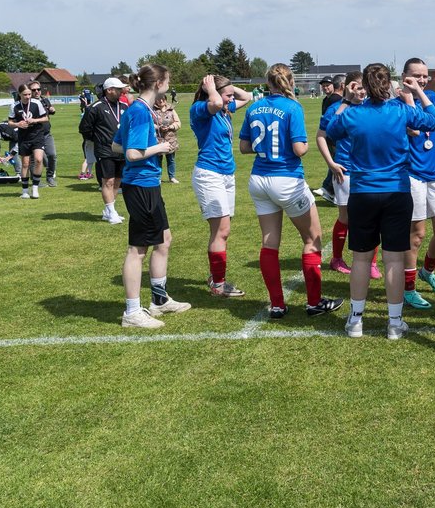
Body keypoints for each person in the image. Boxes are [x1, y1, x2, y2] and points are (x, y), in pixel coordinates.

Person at [326, 63, 435, 341]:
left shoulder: (353, 113)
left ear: (364, 84)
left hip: (364, 193)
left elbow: (330, 130)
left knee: (361, 260)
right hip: (396, 193)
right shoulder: (401, 110)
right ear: (389, 83)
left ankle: (355, 321)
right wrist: (419, 93)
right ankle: (394, 323)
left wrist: (346, 100)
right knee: (393, 260)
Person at [238, 63, 342, 319]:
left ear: (268, 83)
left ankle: (276, 305)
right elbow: (299, 149)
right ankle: (314, 302)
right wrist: (296, 147)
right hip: (286, 179)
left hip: (259, 179)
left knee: (269, 243)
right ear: (290, 81)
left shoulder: (253, 107)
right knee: (312, 240)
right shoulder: (292, 107)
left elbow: (244, 147)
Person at [112, 64, 189, 329]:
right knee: (138, 249)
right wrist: (161, 147)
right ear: (158, 84)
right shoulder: (141, 111)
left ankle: (159, 299)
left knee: (164, 239)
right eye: (167, 79)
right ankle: (132, 312)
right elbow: (132, 153)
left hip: (148, 183)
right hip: (140, 184)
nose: (169, 83)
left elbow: (115, 143)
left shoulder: (137, 109)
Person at [190, 74, 253, 298]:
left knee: (220, 231)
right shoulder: (201, 108)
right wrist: (213, 91)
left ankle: (215, 276)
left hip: (226, 175)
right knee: (222, 230)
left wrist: (227, 87)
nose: (230, 99)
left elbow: (248, 97)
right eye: (227, 96)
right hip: (210, 175)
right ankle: (218, 283)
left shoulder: (224, 109)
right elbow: (216, 102)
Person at [400, 57, 435, 309]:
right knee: (416, 235)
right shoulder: (396, 104)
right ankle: (408, 288)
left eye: (424, 76)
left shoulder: (429, 97)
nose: (421, 80)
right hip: (412, 175)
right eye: (416, 75)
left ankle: (427, 271)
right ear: (404, 76)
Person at [318, 71, 371, 277]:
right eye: (355, 86)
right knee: (346, 217)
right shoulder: (336, 108)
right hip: (345, 171)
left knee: (370, 218)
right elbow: (321, 136)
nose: (360, 91)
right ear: (347, 87)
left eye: (363, 86)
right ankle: (337, 258)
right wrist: (331, 163)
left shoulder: (371, 106)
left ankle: (372, 262)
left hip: (368, 171)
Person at [79, 78, 129, 223]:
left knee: (118, 181)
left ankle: (109, 210)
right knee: (108, 181)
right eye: (118, 89)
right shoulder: (95, 107)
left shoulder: (124, 106)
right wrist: (99, 140)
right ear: (109, 90)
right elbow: (84, 129)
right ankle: (111, 211)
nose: (122, 91)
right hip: (104, 149)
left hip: (121, 149)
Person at [8, 84, 50, 199]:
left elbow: (46, 118)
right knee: (25, 163)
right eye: (25, 94)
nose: (27, 96)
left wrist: (34, 120)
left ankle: (35, 188)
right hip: (23, 137)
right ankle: (25, 190)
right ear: (19, 94)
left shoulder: (36, 103)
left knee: (38, 159)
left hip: (37, 135)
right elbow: (10, 122)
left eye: (29, 94)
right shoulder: (14, 106)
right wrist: (18, 124)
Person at [316, 76, 342, 201]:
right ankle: (329, 188)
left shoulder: (336, 99)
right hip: (328, 135)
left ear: (334, 86)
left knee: (336, 161)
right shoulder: (327, 99)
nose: (325, 87)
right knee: (334, 161)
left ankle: (329, 188)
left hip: (333, 136)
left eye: (328, 85)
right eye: (323, 86)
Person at [152, 93, 181, 184]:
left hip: (170, 139)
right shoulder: (152, 110)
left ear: (165, 100)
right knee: (158, 159)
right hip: (158, 139)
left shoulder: (171, 110)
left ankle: (172, 177)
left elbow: (178, 123)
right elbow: (149, 123)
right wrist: (158, 127)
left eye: (163, 99)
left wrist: (171, 127)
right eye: (158, 99)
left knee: (171, 159)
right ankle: (158, 177)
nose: (161, 101)